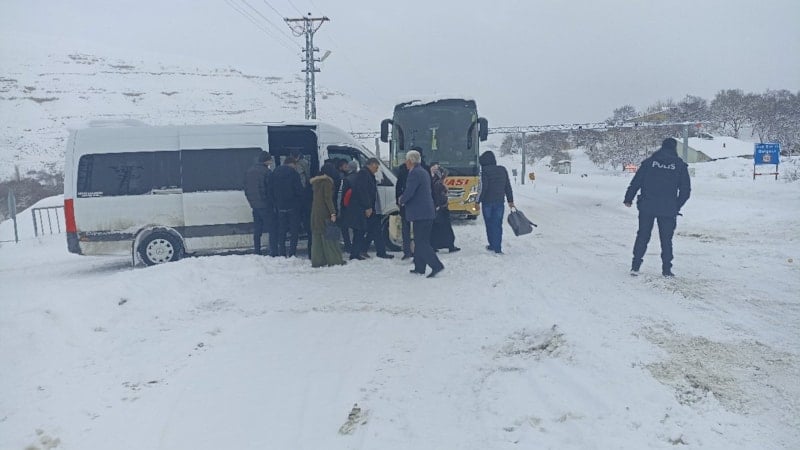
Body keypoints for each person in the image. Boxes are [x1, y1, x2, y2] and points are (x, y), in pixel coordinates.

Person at [624, 137, 691, 277]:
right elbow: (686, 190)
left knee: (643, 235)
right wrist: (676, 206)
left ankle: (635, 266)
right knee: (666, 239)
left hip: (647, 206)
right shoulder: (679, 165)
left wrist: (628, 198)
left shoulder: (649, 163)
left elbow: (636, 181)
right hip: (668, 208)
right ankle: (666, 269)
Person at [399, 150, 444, 278]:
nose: (405, 163)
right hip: (426, 211)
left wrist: (402, 200)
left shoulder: (414, 173)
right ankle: (419, 267)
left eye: (406, 161)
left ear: (410, 161)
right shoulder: (423, 171)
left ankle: (436, 265)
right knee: (421, 240)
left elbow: (410, 191)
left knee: (421, 242)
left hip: (420, 213)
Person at [476, 150, 514, 254]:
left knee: (489, 224)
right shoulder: (502, 170)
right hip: (499, 202)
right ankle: (498, 247)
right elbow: (507, 186)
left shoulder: (485, 171)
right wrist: (510, 201)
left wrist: (477, 201)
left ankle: (492, 245)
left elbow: (483, 188)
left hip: (487, 203)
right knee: (497, 224)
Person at [309, 164, 346, 268]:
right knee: (329, 238)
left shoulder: (316, 182)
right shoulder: (327, 182)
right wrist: (333, 213)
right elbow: (328, 199)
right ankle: (334, 260)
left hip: (315, 212)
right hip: (324, 212)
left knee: (317, 238)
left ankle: (317, 261)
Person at [243, 151, 277, 256]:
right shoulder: (267, 172)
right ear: (266, 160)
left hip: (255, 205)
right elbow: (270, 190)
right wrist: (272, 203)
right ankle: (273, 251)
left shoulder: (249, 171)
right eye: (270, 159)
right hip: (265, 205)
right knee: (272, 228)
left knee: (257, 229)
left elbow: (246, 189)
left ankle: (257, 250)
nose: (271, 161)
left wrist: (251, 202)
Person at [271, 156, 304, 257]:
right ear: (292, 164)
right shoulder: (294, 173)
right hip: (293, 207)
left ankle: (282, 252)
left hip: (280, 207)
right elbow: (299, 190)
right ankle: (292, 252)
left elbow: (270, 189)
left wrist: (275, 203)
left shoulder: (274, 172)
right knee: (294, 231)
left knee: (282, 230)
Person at [429, 163, 460, 253]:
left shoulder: (434, 181)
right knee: (446, 228)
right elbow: (439, 196)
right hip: (441, 208)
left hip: (438, 208)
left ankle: (435, 245)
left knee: (436, 229)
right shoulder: (438, 184)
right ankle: (450, 245)